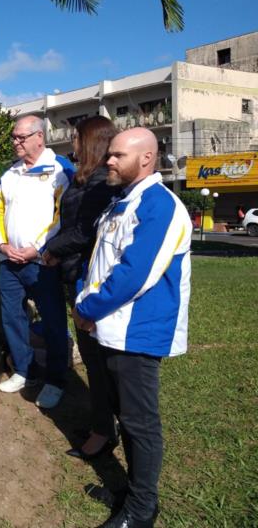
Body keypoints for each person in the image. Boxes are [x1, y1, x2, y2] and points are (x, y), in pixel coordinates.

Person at [74, 127, 191, 528]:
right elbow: (98, 264)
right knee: (125, 416)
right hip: (110, 327)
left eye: (118, 155)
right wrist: (82, 297)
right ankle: (130, 491)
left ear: (146, 159)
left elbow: (135, 274)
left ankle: (142, 508)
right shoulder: (121, 202)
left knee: (140, 423)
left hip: (137, 332)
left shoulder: (160, 206)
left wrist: (87, 306)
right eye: (109, 154)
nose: (108, 160)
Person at [42, 116, 120, 459]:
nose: (71, 142)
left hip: (88, 275)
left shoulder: (102, 182)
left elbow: (85, 231)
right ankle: (101, 424)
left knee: (97, 359)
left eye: (76, 137)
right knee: (92, 359)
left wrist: (52, 250)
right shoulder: (85, 176)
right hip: (76, 271)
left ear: (90, 142)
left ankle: (103, 432)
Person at [0, 115, 73, 409]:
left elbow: (62, 215)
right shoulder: (10, 173)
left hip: (43, 262)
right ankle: (25, 371)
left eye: (21, 137)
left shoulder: (60, 169)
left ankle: (56, 379)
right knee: (13, 316)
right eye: (14, 137)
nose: (15, 142)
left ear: (40, 137)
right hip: (8, 261)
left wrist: (36, 249)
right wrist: (1, 244)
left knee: (53, 321)